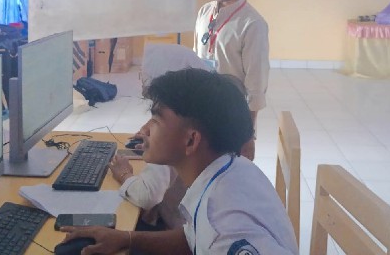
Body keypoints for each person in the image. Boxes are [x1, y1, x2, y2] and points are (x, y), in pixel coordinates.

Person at [60, 68, 298, 255]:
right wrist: (126, 238)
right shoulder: (228, 167)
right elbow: (193, 237)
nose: (145, 130)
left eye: (156, 120)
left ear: (191, 141)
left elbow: (212, 236)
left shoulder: (224, 230)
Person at [109, 43, 213, 230]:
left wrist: (124, 174)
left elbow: (147, 195)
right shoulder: (198, 114)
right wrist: (153, 135)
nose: (141, 79)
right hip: (192, 224)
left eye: (144, 74)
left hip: (177, 229)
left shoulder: (173, 131)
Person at [193, 0, 270, 160]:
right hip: (201, 109)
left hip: (231, 115)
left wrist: (247, 135)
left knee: (228, 169)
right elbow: (196, 58)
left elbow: (256, 83)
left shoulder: (252, 24)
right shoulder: (205, 12)